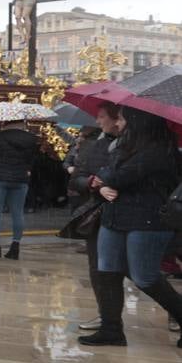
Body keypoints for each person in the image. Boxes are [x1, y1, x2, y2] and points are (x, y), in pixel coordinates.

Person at [79, 107, 182, 347]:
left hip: (147, 220)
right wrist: (105, 178)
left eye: (124, 119)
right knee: (107, 271)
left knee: (145, 277)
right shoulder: (124, 145)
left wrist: (107, 177)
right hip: (115, 216)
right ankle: (111, 328)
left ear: (139, 123)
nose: (119, 123)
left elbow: (115, 177)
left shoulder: (158, 150)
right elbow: (103, 173)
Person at [66, 105, 125, 333]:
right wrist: (91, 183)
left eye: (102, 117)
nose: (98, 121)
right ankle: (107, 317)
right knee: (99, 267)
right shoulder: (96, 145)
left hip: (132, 215)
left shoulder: (136, 146)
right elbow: (76, 179)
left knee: (143, 272)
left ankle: (174, 311)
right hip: (98, 213)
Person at [0, 118, 39, 260]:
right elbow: (33, 160)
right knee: (18, 213)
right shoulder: (31, 139)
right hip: (20, 179)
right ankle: (15, 246)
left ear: (7, 122)